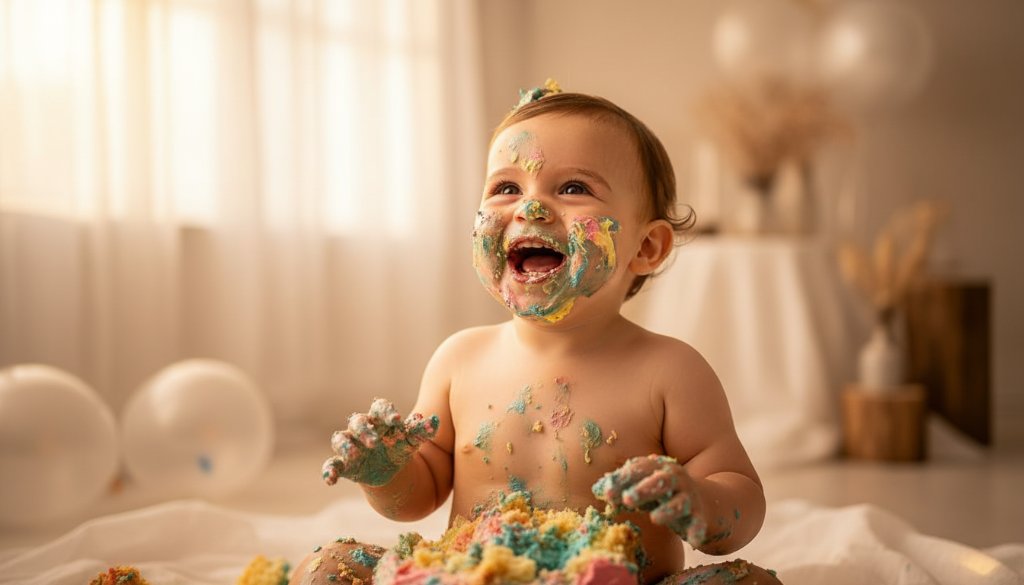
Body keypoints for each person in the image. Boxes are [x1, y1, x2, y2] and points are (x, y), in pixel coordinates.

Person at [291, 83, 781, 585]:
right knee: (325, 567)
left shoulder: (670, 371)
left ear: (648, 246)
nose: (531, 208)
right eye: (506, 188)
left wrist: (699, 501)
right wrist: (386, 471)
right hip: (470, 576)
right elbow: (418, 496)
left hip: (622, 579)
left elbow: (740, 493)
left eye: (573, 188)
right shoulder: (459, 359)